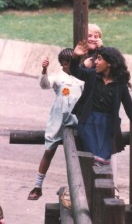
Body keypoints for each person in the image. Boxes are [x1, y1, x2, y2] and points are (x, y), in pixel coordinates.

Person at [69, 43, 132, 166]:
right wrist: (75, 57)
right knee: (90, 157)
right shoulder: (92, 75)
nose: (96, 62)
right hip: (89, 121)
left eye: (100, 59)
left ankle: (97, 183)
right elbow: (75, 71)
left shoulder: (120, 84)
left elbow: (129, 107)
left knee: (102, 161)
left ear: (109, 63)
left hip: (107, 125)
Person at [27, 48, 84, 200]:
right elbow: (44, 84)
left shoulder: (82, 78)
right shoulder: (58, 78)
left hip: (77, 119)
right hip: (58, 119)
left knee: (77, 154)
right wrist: (44, 70)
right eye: (72, 63)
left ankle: (80, 189)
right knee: (48, 151)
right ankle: (37, 186)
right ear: (64, 64)